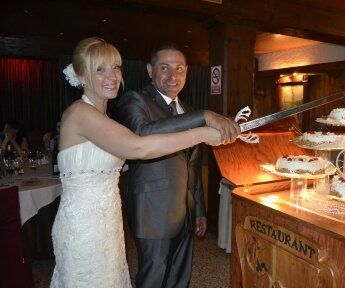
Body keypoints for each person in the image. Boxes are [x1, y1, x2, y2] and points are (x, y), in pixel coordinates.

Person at [50, 37, 240, 288]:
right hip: (85, 227)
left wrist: (199, 208)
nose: (112, 76)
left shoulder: (103, 117)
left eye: (116, 67)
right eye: (100, 69)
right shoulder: (80, 113)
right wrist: (204, 131)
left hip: (108, 221)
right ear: (81, 76)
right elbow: (139, 146)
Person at [116, 43, 237, 288]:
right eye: (165, 68)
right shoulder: (135, 100)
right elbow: (142, 134)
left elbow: (191, 165)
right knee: (153, 279)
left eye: (179, 69)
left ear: (187, 72)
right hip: (153, 211)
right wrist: (203, 116)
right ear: (150, 71)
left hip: (186, 211)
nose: (173, 76)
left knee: (179, 278)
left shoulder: (187, 110)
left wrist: (200, 210)